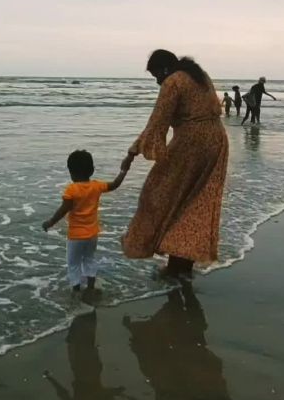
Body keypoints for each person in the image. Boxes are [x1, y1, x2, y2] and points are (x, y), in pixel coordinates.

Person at [123, 50, 229, 278]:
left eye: (156, 76)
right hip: (216, 140)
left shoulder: (173, 82)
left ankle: (171, 265)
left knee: (158, 191)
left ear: (163, 69)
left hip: (192, 142)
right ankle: (182, 265)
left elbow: (157, 122)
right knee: (196, 201)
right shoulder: (199, 75)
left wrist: (133, 151)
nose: (158, 82)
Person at [42, 150, 130, 292]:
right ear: (92, 170)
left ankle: (76, 291)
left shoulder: (71, 189)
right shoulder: (97, 186)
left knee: (74, 264)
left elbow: (64, 209)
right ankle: (90, 286)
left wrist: (50, 222)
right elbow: (114, 185)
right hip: (92, 235)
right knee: (89, 259)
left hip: (76, 236)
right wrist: (123, 170)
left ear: (71, 172)